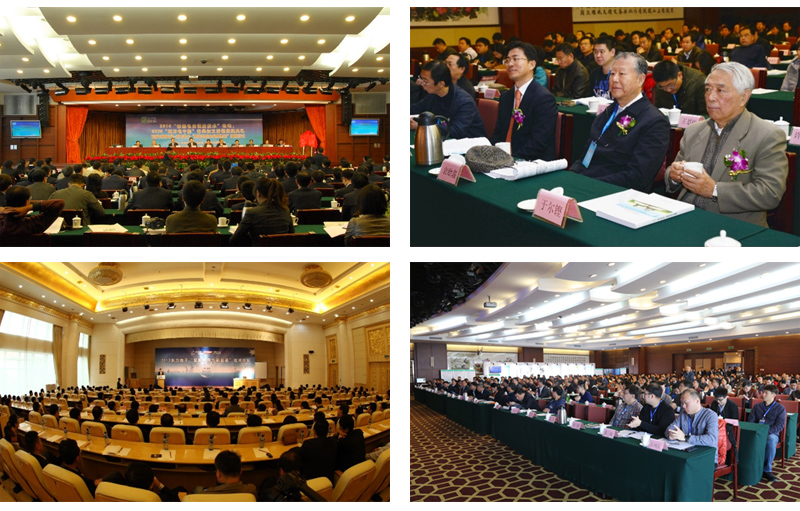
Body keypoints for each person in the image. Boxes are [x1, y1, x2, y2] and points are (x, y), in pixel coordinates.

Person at [666, 62, 787, 226]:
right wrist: (674, 176)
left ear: (744, 97)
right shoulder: (694, 130)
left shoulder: (766, 135)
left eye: (720, 90)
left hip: (732, 224)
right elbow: (672, 173)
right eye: (708, 89)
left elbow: (770, 193)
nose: (710, 97)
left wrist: (715, 190)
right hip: (685, 215)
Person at [570, 52, 670, 192]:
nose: (614, 79)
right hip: (587, 182)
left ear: (640, 79)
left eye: (622, 74)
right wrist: (572, 175)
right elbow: (585, 156)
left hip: (615, 192)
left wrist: (589, 184)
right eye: (612, 74)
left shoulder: (654, 122)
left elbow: (637, 177)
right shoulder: (607, 112)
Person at [489, 41, 557, 161]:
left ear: (532, 64)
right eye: (507, 60)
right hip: (503, 161)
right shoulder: (506, 97)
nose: (510, 64)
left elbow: (538, 142)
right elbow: (498, 134)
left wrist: (512, 160)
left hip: (531, 162)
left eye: (516, 59)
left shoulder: (544, 98)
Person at [410, 60, 486, 139]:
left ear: (441, 84)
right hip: (443, 138)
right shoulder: (434, 94)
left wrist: (423, 125)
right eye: (421, 79)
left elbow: (457, 131)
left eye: (425, 81)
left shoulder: (464, 102)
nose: (421, 83)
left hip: (469, 142)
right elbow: (415, 109)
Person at [230, 178, 293, 246]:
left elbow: (234, 239)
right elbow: (291, 235)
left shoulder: (252, 212)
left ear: (258, 193)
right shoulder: (285, 210)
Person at [747, 385, 786, 482]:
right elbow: (751, 420)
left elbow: (779, 426)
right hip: (756, 432)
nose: (763, 395)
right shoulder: (757, 406)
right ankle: (749, 467)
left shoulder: (780, 408)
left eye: (766, 393)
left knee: (771, 440)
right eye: (763, 392)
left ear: (773, 395)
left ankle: (767, 470)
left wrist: (764, 432)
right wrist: (755, 431)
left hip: (771, 433)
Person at [667, 389, 719, 458]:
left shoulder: (711, 415)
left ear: (697, 401)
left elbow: (711, 439)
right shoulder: (683, 414)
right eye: (682, 403)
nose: (683, 406)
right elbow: (669, 429)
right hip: (687, 454)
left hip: (705, 456)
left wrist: (685, 437)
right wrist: (670, 435)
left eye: (686, 403)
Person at [0, 186, 64, 240]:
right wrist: (29, 207)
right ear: (27, 202)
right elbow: (59, 203)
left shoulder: (2, 226)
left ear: (5, 201)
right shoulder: (34, 225)